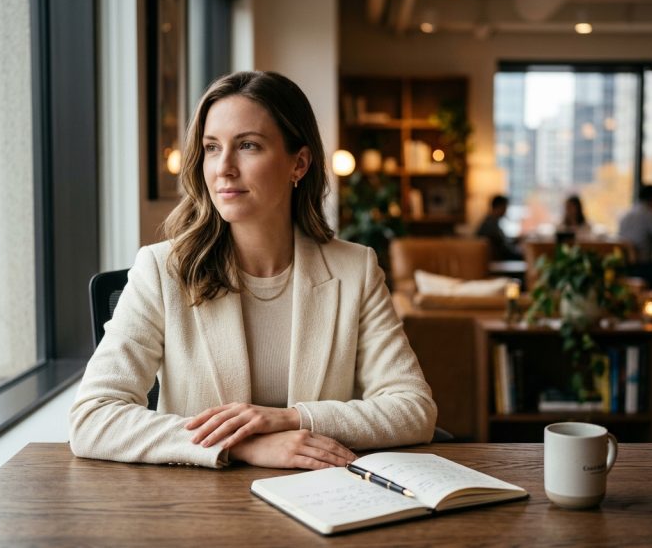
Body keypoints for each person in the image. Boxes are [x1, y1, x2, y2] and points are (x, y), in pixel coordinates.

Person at [69, 71, 437, 471]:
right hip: (200, 508)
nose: (223, 168)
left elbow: (414, 409)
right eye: (212, 147)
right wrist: (240, 446)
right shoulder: (162, 269)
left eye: (247, 145)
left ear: (299, 163)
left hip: (321, 497)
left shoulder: (356, 270)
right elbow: (93, 417)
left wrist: (291, 418)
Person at [476, 194, 522, 261]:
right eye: (505, 207)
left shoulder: (490, 222)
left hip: (498, 258)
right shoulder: (490, 225)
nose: (505, 211)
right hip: (499, 260)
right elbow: (504, 247)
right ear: (499, 207)